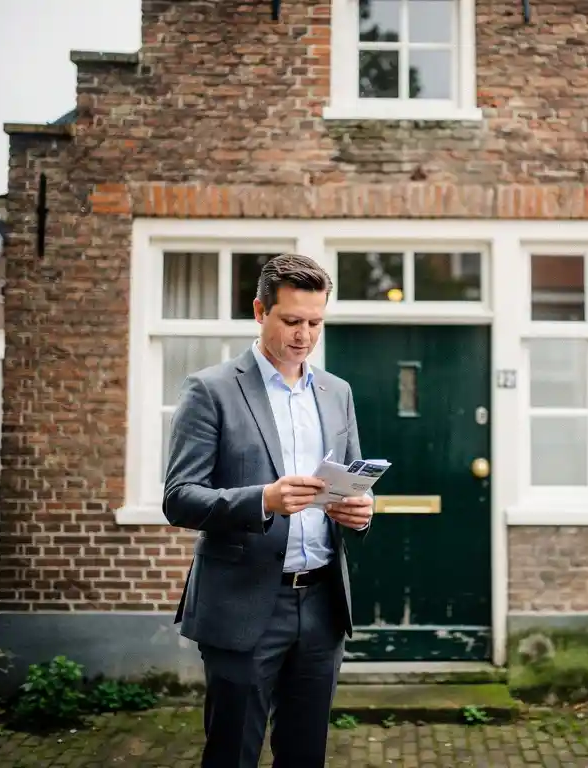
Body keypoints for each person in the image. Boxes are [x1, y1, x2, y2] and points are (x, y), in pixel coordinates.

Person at [163, 253, 373, 768]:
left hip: (323, 602)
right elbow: (179, 497)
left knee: (305, 755)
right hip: (244, 604)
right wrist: (262, 499)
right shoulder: (210, 389)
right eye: (292, 321)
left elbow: (348, 481)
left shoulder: (336, 392)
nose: (304, 335)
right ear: (260, 311)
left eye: (315, 323)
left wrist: (361, 512)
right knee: (232, 754)